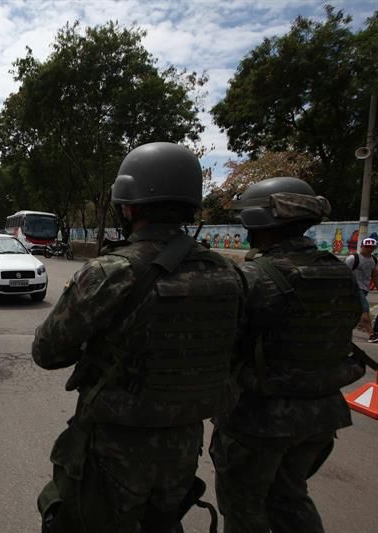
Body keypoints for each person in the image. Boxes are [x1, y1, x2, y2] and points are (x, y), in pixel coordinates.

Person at [32, 142, 245, 532]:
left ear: (128, 207)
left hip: (114, 444)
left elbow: (47, 352)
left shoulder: (111, 271)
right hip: (185, 441)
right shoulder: (228, 273)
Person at [211, 177, 366, 533]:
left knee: (244, 508)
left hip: (259, 419)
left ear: (258, 220)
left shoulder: (252, 277)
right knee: (290, 498)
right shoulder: (338, 271)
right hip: (321, 415)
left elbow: (223, 345)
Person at [344, 237, 378, 342]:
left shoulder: (374, 260)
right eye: (367, 247)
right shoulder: (353, 258)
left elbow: (375, 276)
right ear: (362, 246)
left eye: (372, 247)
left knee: (354, 312)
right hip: (354, 289)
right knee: (364, 309)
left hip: (364, 289)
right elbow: (344, 274)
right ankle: (372, 335)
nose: (369, 249)